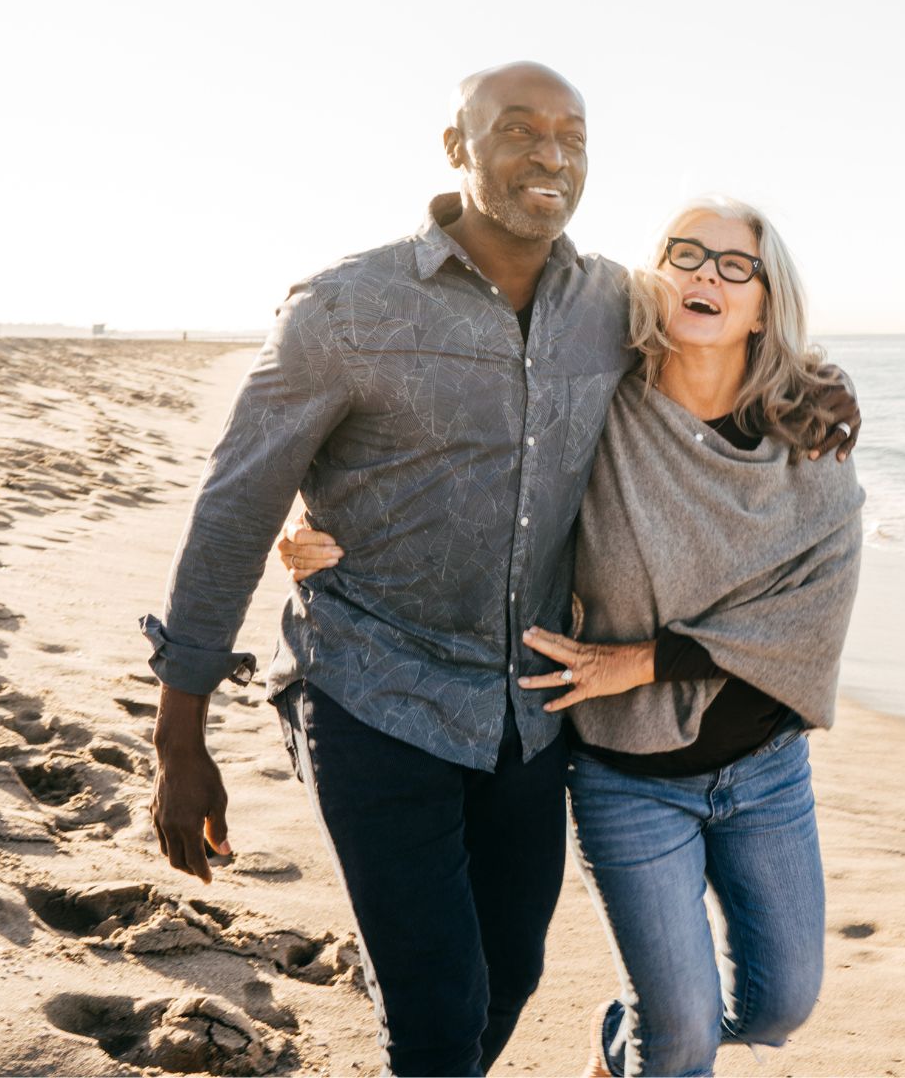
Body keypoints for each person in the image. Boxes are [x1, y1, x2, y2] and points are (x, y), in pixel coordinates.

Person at [141, 62, 860, 1078]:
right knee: (438, 1015)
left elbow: (729, 342)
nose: (550, 153)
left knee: (509, 976)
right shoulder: (347, 308)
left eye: (572, 134)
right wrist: (180, 733)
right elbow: (234, 505)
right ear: (457, 147)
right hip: (371, 689)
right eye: (519, 130)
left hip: (525, 712)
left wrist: (817, 378)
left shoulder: (616, 303)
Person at [283, 197, 862, 1077]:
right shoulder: (597, 400)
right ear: (656, 275)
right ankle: (653, 1035)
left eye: (734, 265)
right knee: (681, 1041)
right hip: (626, 777)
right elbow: (468, 466)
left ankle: (618, 1036)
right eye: (687, 253)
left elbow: (813, 605)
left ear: (766, 302)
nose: (707, 273)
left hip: (766, 769)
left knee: (780, 1005)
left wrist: (645, 660)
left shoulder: (806, 427)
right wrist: (329, 519)